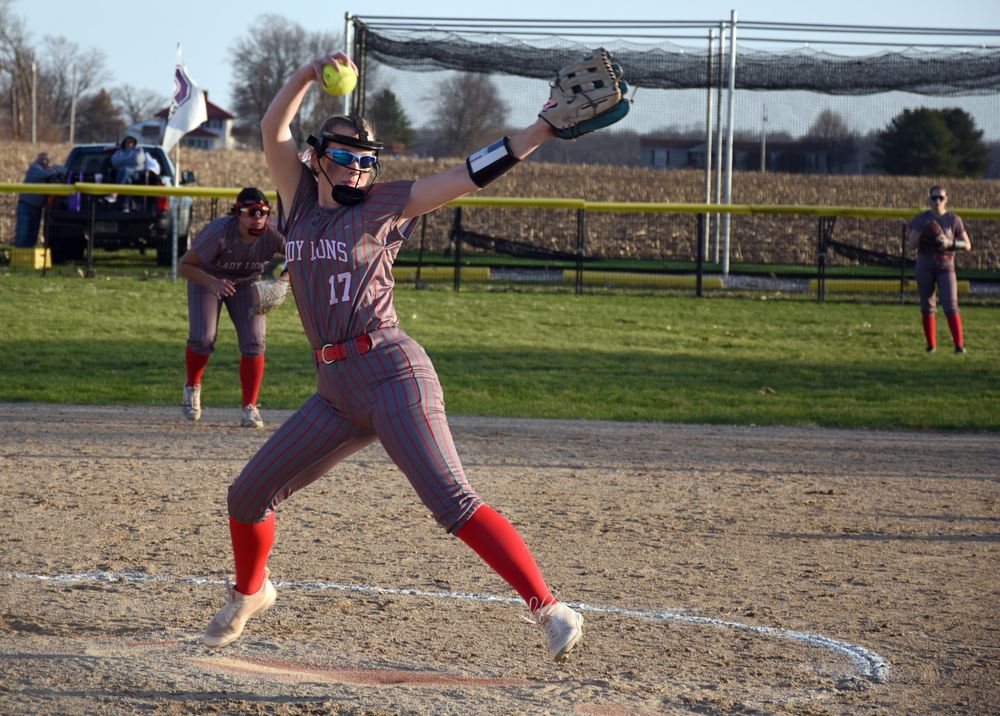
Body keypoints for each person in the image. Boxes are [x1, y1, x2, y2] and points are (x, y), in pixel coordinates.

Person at [201, 49, 628, 661]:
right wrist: (308, 72)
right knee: (245, 498)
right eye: (345, 156)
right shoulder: (298, 201)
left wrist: (540, 128)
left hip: (392, 372)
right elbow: (273, 127)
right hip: (335, 391)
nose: (357, 169)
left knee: (451, 501)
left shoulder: (388, 203)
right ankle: (250, 593)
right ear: (317, 157)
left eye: (366, 160)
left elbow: (471, 173)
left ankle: (550, 608)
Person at [178, 187, 287, 428]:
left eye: (263, 212)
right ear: (238, 213)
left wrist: (283, 281)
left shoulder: (273, 233)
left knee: (254, 342)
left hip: (247, 282)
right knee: (203, 337)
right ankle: (192, 385)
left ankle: (250, 407)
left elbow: (299, 254)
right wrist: (212, 282)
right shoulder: (220, 233)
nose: (258, 218)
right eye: (251, 212)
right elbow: (184, 266)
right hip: (209, 278)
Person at [906, 185, 973, 354]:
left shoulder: (953, 219)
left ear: (946, 200)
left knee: (951, 304)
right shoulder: (922, 219)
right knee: (927, 305)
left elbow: (967, 245)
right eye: (934, 198)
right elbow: (910, 246)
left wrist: (951, 243)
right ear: (929, 200)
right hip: (925, 263)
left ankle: (959, 346)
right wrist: (922, 233)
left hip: (946, 264)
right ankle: (931, 346)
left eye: (940, 198)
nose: (937, 201)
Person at [15, 152, 61, 248]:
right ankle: (19, 252)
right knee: (23, 232)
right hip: (26, 206)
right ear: (38, 159)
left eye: (47, 159)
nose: (45, 161)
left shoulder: (46, 171)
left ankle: (29, 252)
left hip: (37, 208)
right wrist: (57, 169)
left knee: (33, 233)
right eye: (43, 159)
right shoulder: (35, 168)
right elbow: (46, 174)